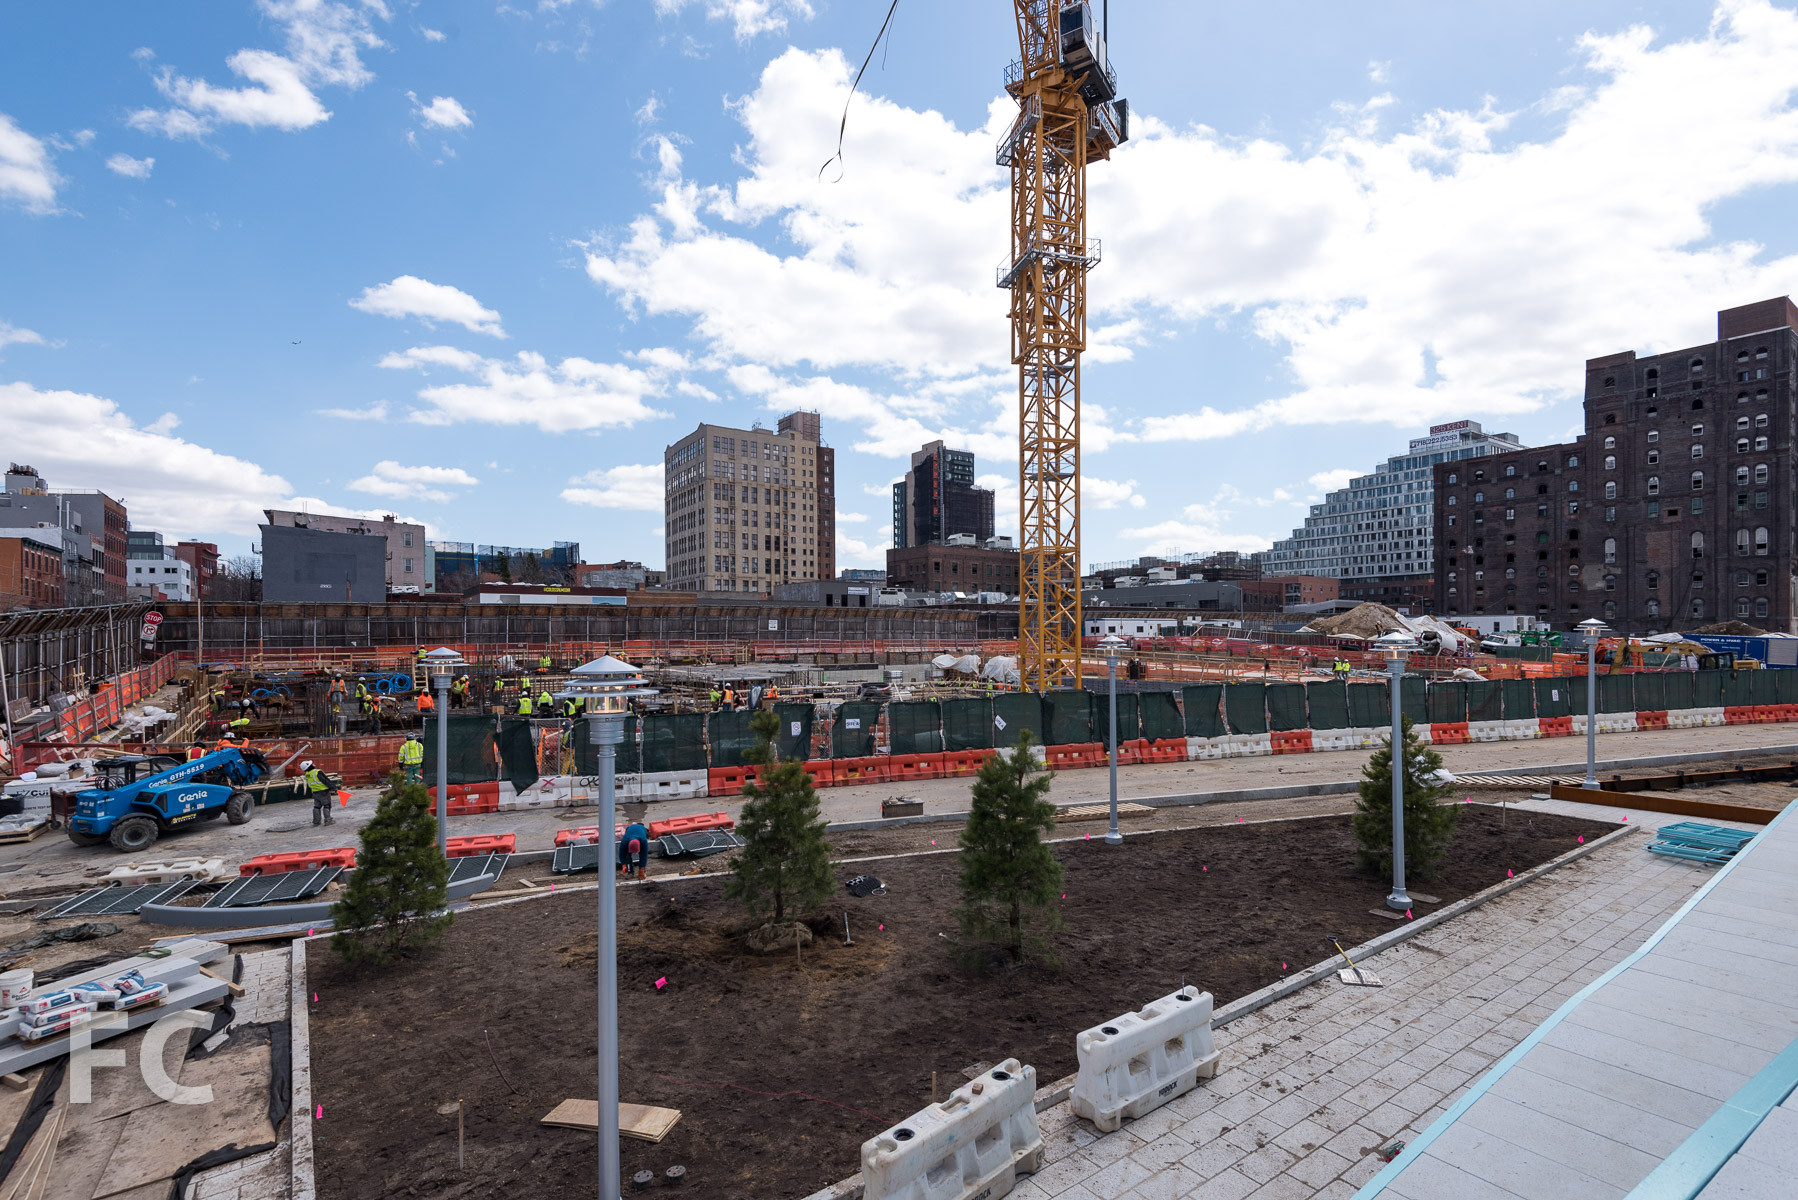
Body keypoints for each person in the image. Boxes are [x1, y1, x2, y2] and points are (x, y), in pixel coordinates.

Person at [302, 759, 333, 826]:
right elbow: (325, 780)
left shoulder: (307, 774)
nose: (314, 764)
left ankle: (316, 822)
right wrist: (332, 786)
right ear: (310, 766)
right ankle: (328, 820)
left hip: (315, 792)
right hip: (323, 791)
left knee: (317, 806)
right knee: (326, 805)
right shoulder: (317, 772)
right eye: (312, 764)